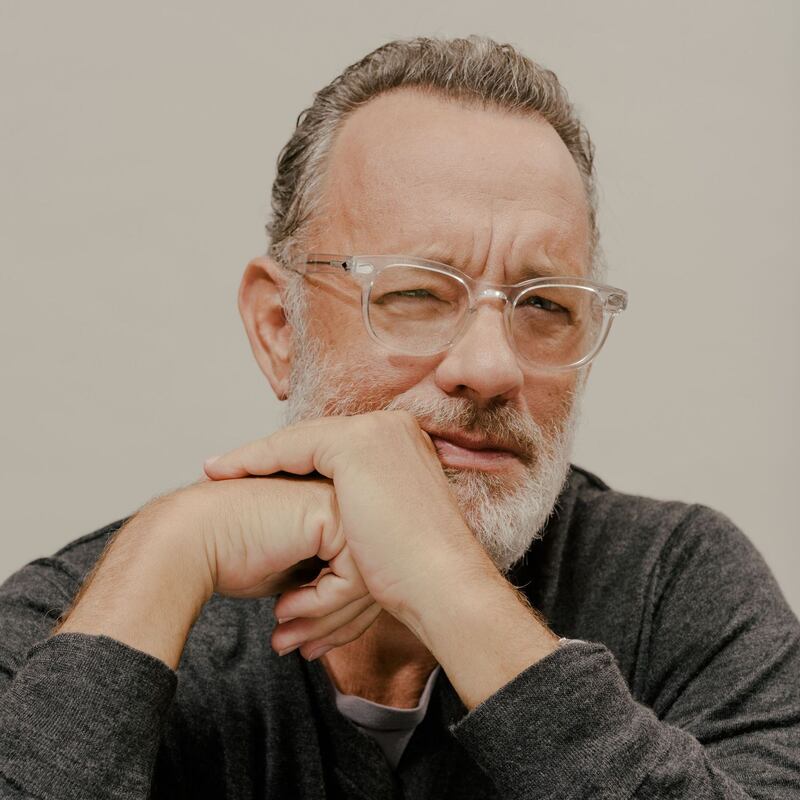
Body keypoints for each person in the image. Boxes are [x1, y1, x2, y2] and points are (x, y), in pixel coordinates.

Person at [0, 35, 798, 800]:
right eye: (416, 292)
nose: (491, 367)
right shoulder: (80, 615)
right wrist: (170, 547)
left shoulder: (676, 582)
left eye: (545, 305)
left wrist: (447, 582)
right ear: (279, 328)